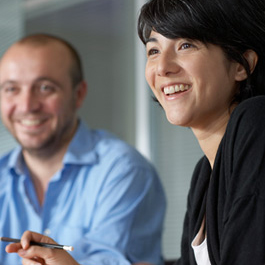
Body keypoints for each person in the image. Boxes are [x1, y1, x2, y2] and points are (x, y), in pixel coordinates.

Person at [0, 33, 166, 265]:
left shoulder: (123, 171)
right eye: (11, 89)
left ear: (78, 95)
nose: (27, 106)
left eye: (45, 88)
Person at [136, 0, 265, 264]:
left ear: (241, 64)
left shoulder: (257, 121)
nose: (162, 67)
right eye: (153, 51)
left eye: (186, 45)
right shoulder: (205, 174)